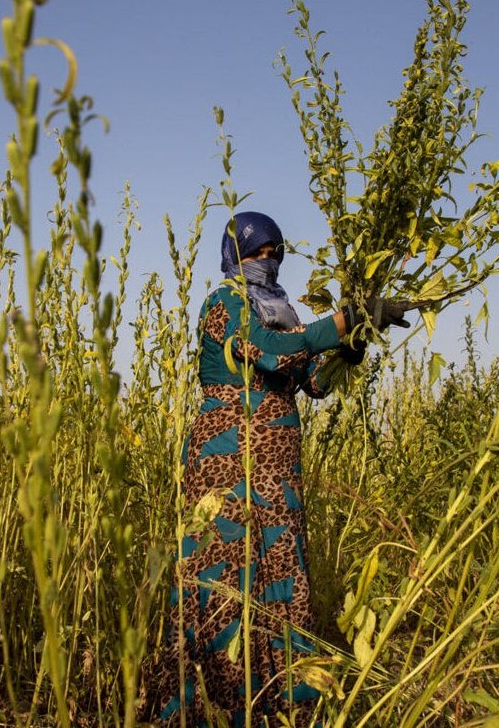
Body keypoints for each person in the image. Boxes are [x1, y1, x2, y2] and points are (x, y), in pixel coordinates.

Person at [144, 211, 408, 728]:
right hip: (226, 457)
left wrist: (352, 346)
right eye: (257, 251)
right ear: (234, 255)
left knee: (279, 568)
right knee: (226, 569)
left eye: (274, 252)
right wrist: (342, 321)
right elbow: (270, 353)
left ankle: (274, 704)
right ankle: (211, 702)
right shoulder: (224, 304)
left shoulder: (284, 311)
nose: (267, 260)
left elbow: (314, 381)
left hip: (277, 463)